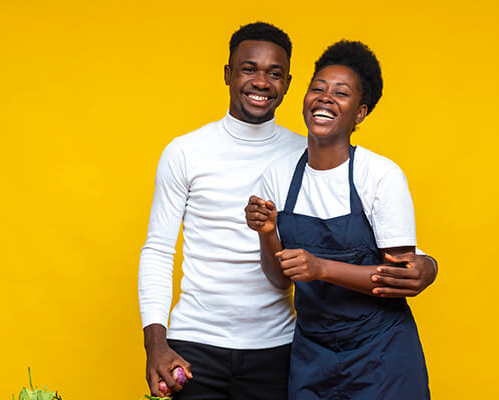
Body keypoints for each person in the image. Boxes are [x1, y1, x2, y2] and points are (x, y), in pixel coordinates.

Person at [139, 23, 436, 400]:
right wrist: (155, 342)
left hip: (286, 347)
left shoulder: (317, 156)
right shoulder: (190, 153)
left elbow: (397, 258)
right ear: (228, 74)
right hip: (203, 343)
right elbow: (159, 251)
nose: (261, 82)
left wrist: (426, 263)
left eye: (274, 73)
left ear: (288, 82)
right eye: (248, 69)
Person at [245, 40, 431, 399]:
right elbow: (278, 280)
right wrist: (268, 234)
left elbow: (402, 280)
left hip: (382, 352)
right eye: (318, 88)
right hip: (312, 354)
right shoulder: (278, 176)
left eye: (341, 93)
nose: (326, 97)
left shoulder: (379, 175)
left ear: (359, 113)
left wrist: (321, 268)